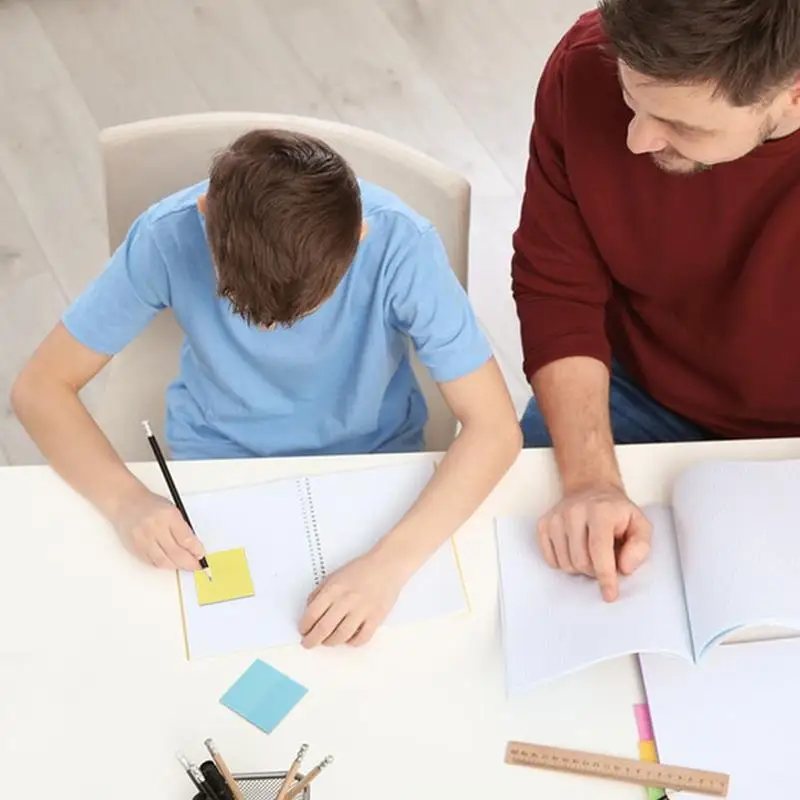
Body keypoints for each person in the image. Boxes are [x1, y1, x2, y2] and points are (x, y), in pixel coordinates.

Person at [12, 129, 521, 647]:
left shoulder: (402, 245)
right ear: (205, 215)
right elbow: (40, 387)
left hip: (370, 460)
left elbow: (496, 430)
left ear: (359, 237)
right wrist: (127, 504)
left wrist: (389, 566)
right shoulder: (166, 236)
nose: (270, 331)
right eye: (240, 301)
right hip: (220, 460)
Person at [511, 0, 800, 601]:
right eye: (630, 97)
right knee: (526, 555)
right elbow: (557, 286)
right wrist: (590, 481)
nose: (637, 140)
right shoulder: (586, 61)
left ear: (793, 95)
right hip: (633, 388)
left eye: (683, 126)